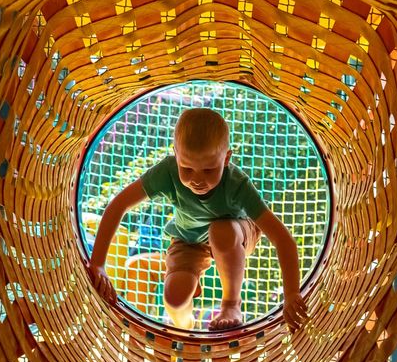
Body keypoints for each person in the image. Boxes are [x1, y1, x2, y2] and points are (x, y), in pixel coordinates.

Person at [87, 108, 309, 332]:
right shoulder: (167, 171)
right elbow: (118, 205)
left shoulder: (236, 184)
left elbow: (282, 239)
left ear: (226, 159)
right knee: (174, 297)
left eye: (209, 170)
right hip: (188, 238)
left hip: (236, 233)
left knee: (221, 231)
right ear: (176, 154)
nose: (197, 180)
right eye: (187, 168)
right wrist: (97, 264)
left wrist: (291, 293)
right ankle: (185, 327)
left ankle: (231, 304)